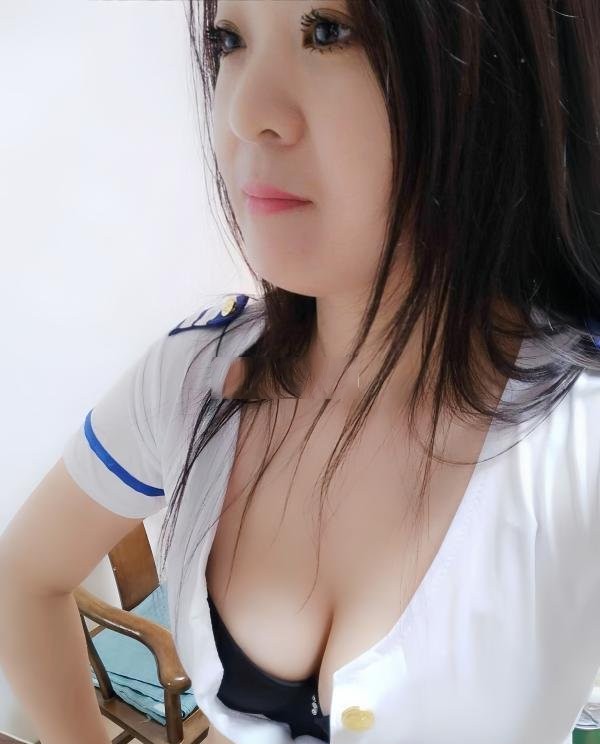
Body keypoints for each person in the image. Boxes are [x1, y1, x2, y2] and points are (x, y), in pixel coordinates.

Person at [1, 1, 600, 743]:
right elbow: (23, 578)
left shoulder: (578, 440)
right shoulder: (194, 378)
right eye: (228, 40)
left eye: (328, 32)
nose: (244, 112)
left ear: (497, 67)